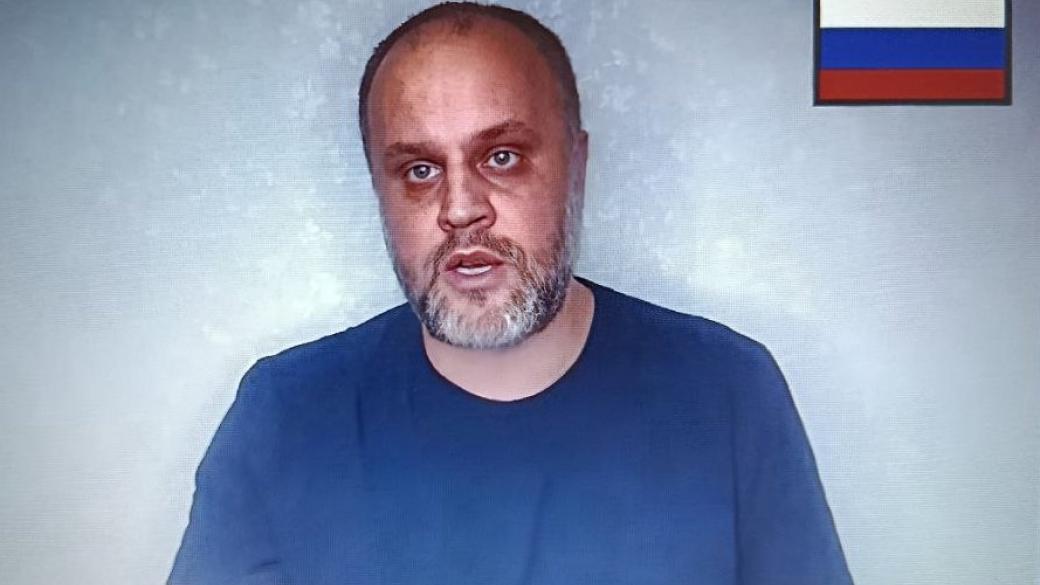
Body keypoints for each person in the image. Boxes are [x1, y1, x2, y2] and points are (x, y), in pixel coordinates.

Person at [168, 3, 854, 584]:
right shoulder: (284, 416)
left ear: (576, 166)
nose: (460, 208)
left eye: (502, 157)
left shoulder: (725, 389)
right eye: (419, 169)